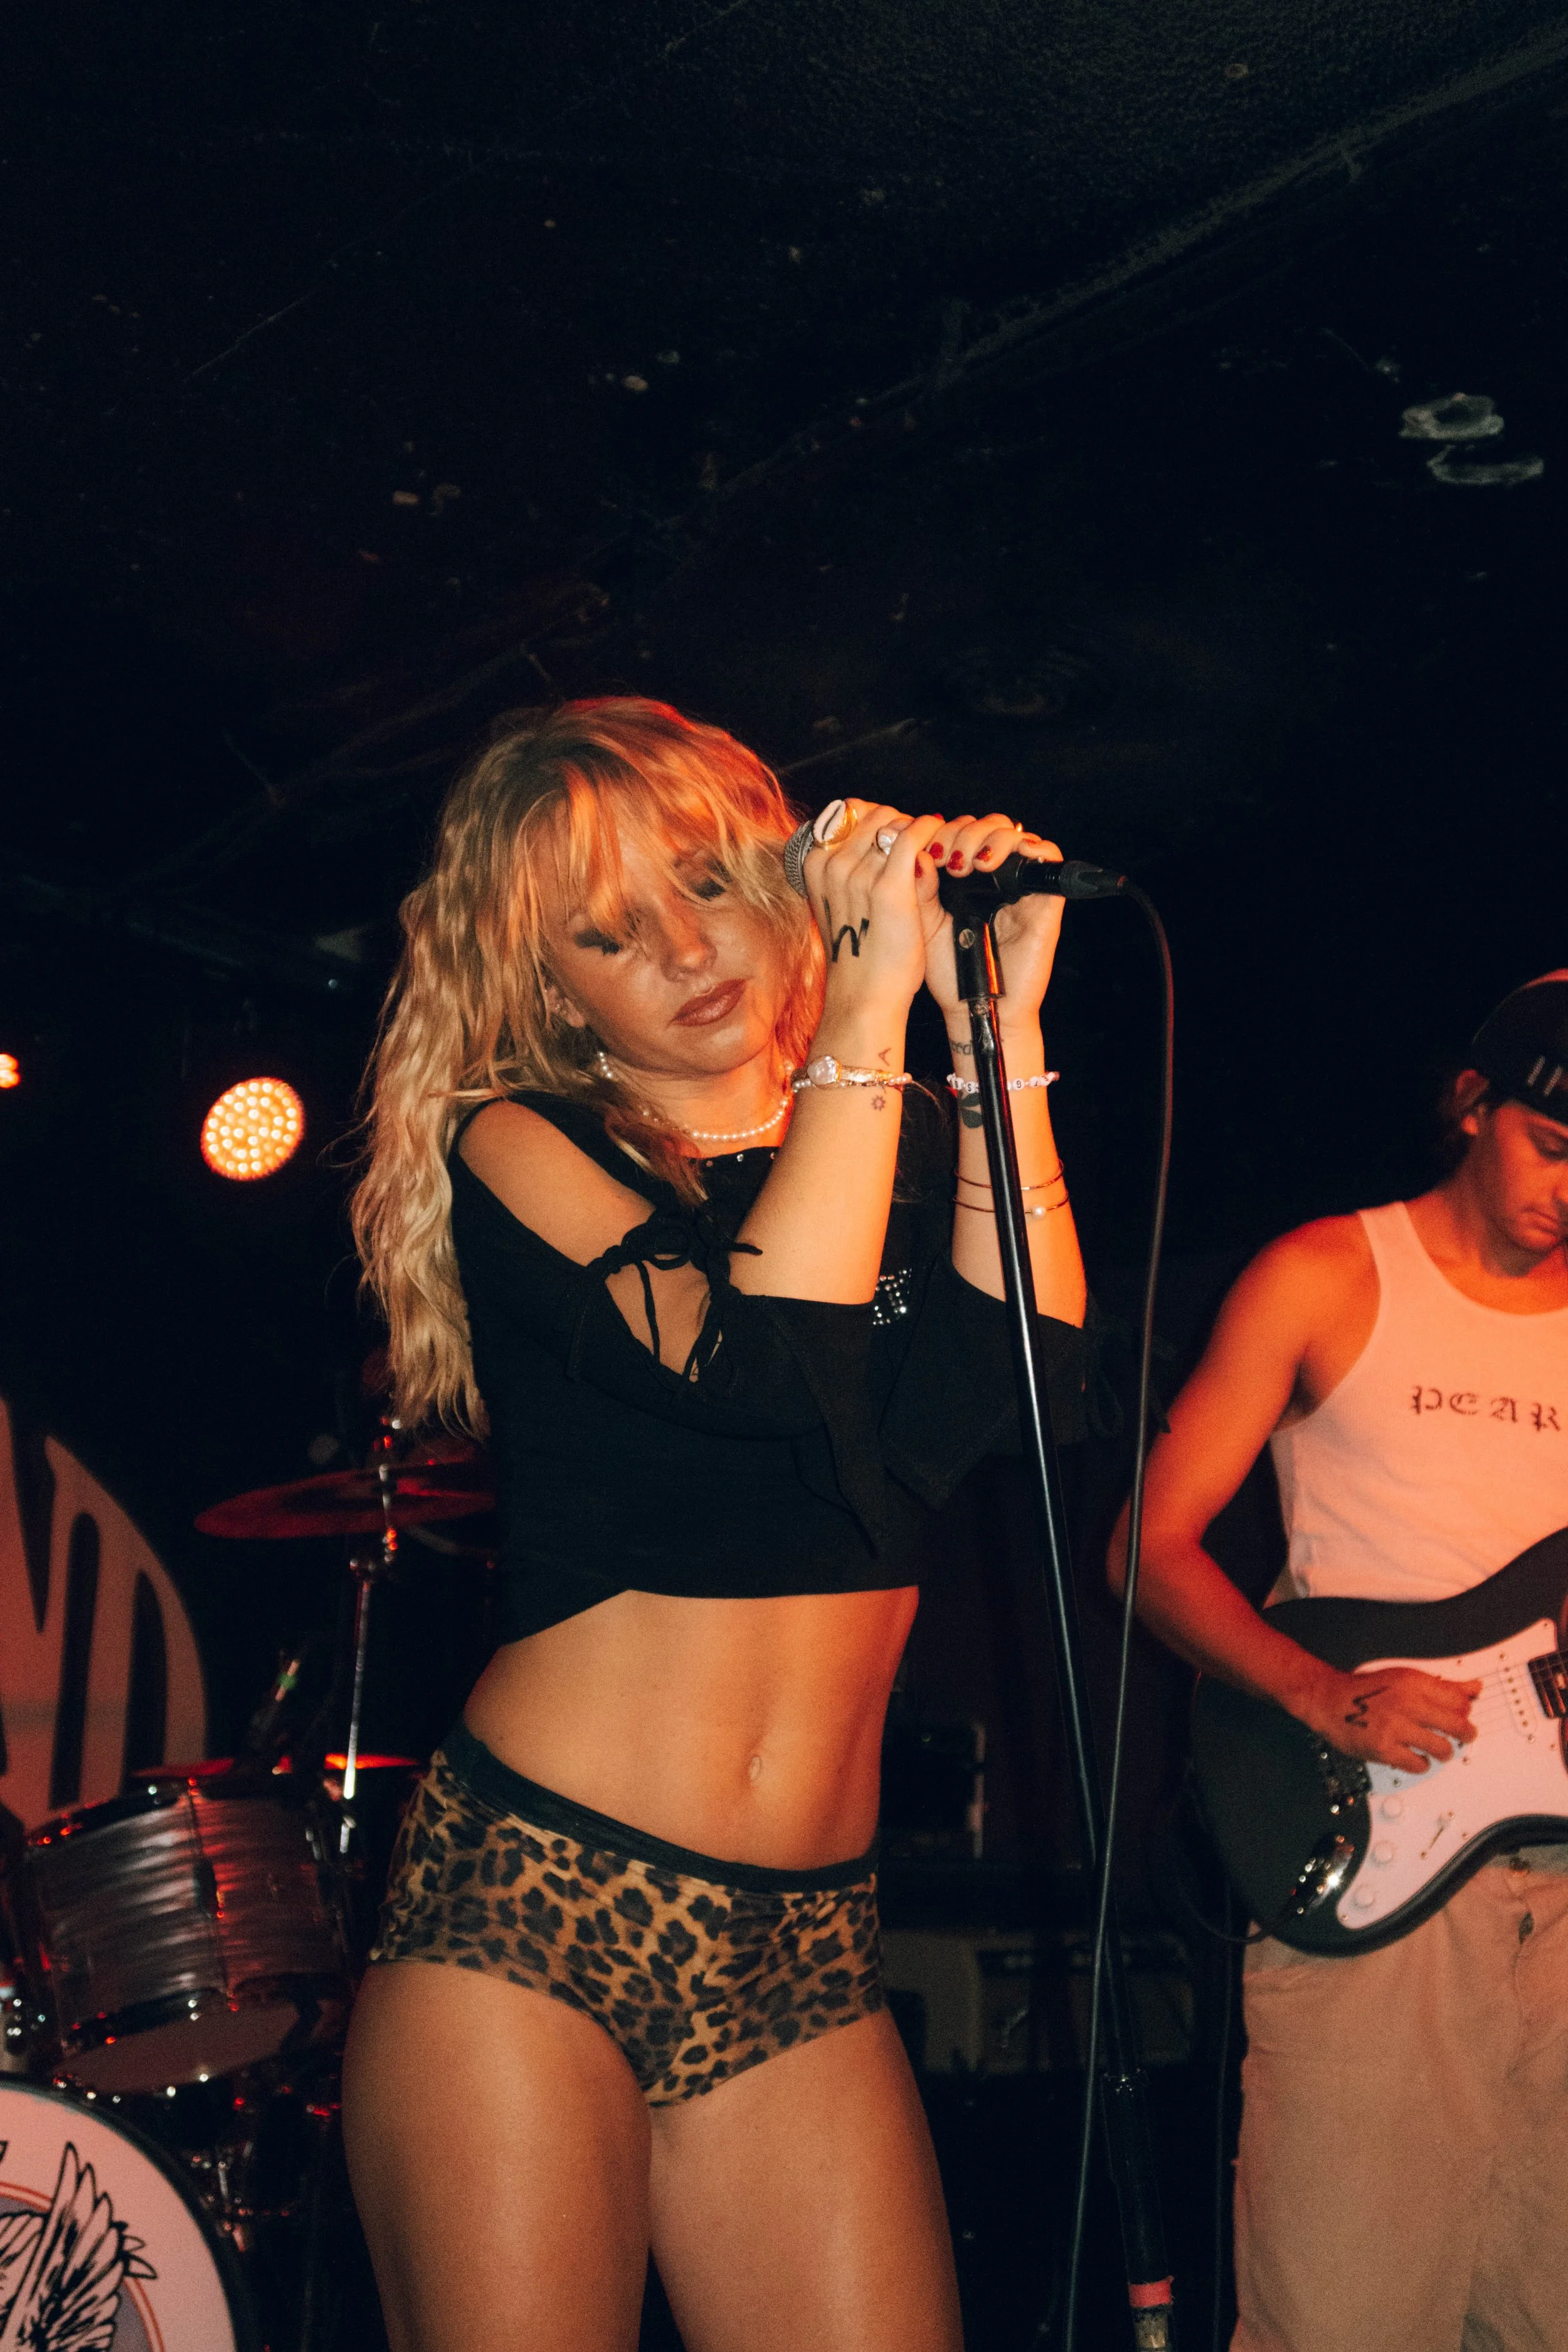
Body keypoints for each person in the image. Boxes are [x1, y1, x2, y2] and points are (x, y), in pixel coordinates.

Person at [344, 697, 1088, 2352]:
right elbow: (761, 1367)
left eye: (701, 881)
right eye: (608, 935)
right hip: (538, 1903)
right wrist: (870, 1003)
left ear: (772, 872)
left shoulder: (869, 1136)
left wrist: (993, 1033)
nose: (686, 949)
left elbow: (1017, 1382)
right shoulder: (524, 1140)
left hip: (805, 1947)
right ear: (554, 992)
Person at [1109, 973, 1568, 2352]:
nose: (1567, 1189)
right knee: (1344, 2317)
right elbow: (1148, 1547)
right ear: (1470, 1106)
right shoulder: (1324, 1272)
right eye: (1550, 1147)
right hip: (1376, 1851)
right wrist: (1320, 1692)